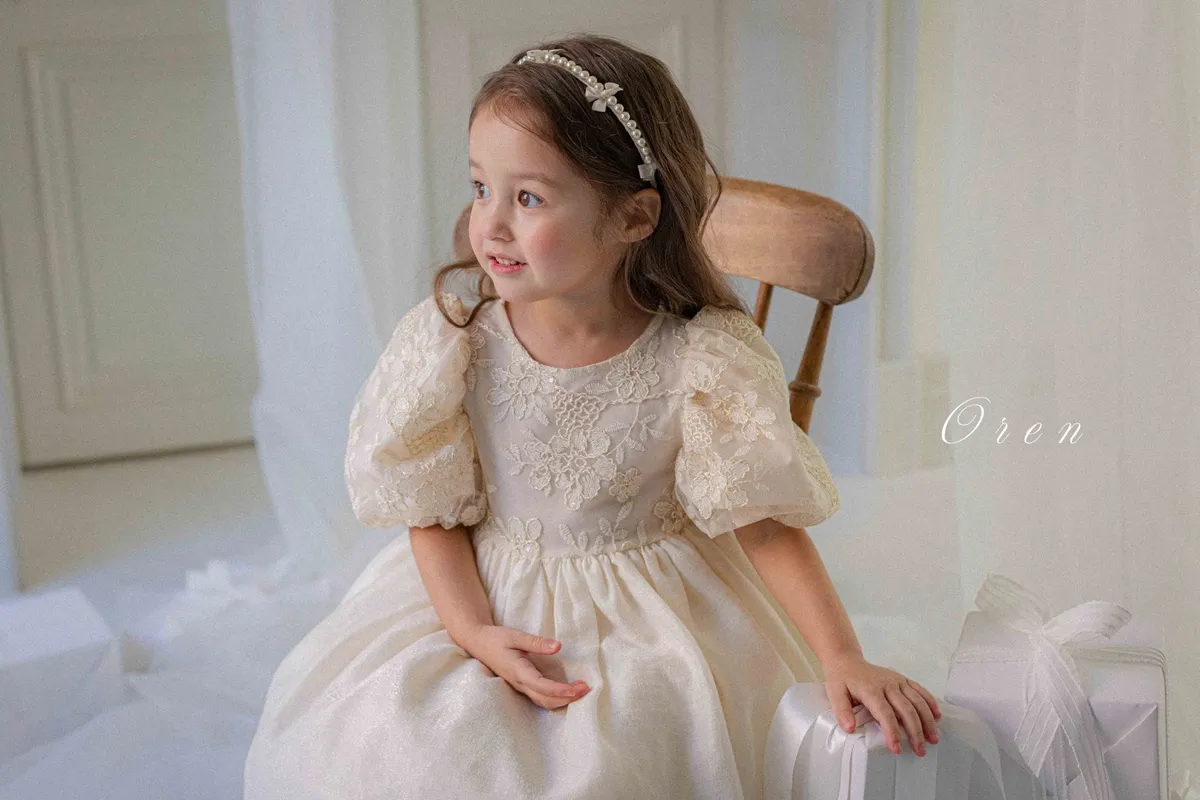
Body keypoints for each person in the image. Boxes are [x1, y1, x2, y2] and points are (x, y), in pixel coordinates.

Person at [243, 33, 941, 800]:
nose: (490, 224)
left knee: (636, 739)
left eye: (528, 198)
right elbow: (432, 513)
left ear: (635, 217)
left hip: (656, 614)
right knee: (406, 740)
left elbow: (767, 528)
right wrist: (471, 631)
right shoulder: (456, 344)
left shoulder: (700, 361)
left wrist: (841, 656)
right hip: (478, 591)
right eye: (481, 186)